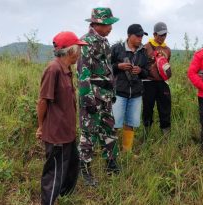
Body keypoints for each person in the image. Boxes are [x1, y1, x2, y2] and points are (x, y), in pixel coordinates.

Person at [36, 31, 87, 205]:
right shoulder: (53, 69)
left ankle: (63, 197)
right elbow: (43, 101)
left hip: (67, 131)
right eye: (78, 48)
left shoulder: (67, 69)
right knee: (54, 173)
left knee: (72, 165)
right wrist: (41, 127)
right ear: (70, 50)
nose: (80, 52)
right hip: (56, 133)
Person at [77, 7, 120, 187]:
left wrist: (113, 91)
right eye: (108, 24)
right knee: (89, 133)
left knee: (109, 129)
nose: (111, 27)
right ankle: (84, 169)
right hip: (93, 95)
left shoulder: (104, 41)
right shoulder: (86, 42)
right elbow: (83, 73)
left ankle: (111, 164)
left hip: (106, 95)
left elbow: (108, 69)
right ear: (97, 24)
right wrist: (88, 100)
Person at [111, 24, 149, 152]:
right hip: (119, 93)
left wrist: (140, 71)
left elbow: (147, 72)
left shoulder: (143, 52)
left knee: (131, 123)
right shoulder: (117, 49)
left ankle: (127, 152)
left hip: (136, 94)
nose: (140, 38)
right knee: (115, 124)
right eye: (137, 36)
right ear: (129, 35)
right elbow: (106, 68)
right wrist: (118, 66)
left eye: (141, 36)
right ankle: (112, 152)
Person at [142, 22, 172, 137]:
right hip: (148, 82)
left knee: (165, 108)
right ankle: (146, 135)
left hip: (163, 83)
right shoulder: (146, 47)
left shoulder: (168, 49)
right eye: (160, 35)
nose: (163, 37)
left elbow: (167, 65)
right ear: (154, 34)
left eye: (165, 35)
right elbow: (142, 64)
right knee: (148, 108)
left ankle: (166, 136)